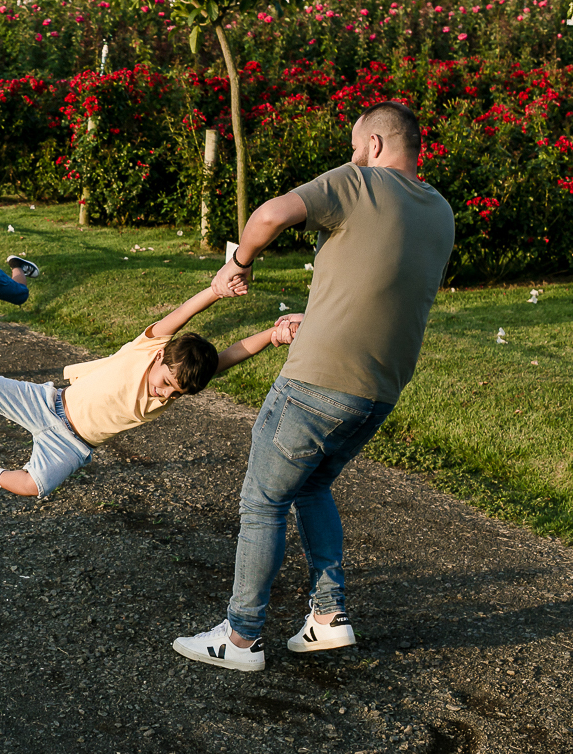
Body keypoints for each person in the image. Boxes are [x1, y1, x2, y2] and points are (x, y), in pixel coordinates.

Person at [172, 101, 456, 673]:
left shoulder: (360, 182)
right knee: (311, 486)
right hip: (378, 390)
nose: (351, 156)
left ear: (375, 145)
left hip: (317, 381)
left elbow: (271, 214)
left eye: (355, 146)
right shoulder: (440, 210)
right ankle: (328, 618)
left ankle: (242, 636)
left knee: (263, 499)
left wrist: (240, 264)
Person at [0, 281, 293, 504]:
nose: (164, 395)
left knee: (36, 485)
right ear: (160, 355)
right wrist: (215, 290)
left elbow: (232, 354)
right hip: (48, 404)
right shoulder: (147, 347)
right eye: (165, 383)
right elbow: (182, 313)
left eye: (175, 394)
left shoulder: (177, 386)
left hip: (73, 443)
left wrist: (273, 336)